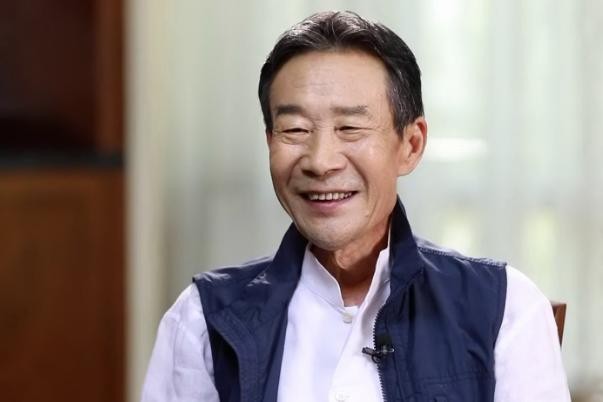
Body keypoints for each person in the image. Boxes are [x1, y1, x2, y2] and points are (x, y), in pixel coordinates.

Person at [142, 11, 570, 402]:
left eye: (350, 127)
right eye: (295, 129)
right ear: (270, 141)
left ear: (411, 144)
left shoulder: (505, 308)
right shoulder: (202, 318)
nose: (320, 161)